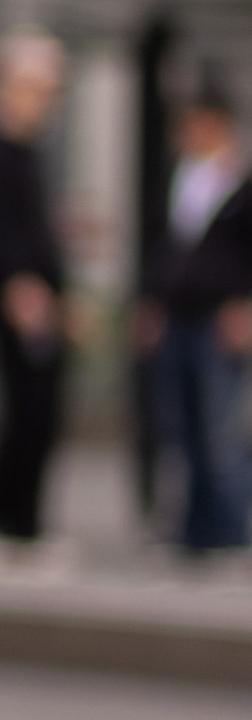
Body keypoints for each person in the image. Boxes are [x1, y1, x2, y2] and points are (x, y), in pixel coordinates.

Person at [0, 34, 74, 561]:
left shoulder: (29, 151)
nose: (45, 101)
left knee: (40, 408)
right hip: (18, 295)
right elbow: (2, 232)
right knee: (26, 408)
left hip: (38, 294)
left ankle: (7, 518)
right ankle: (5, 522)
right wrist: (21, 285)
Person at [137, 68, 252, 560]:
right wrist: (151, 304)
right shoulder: (178, 179)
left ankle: (228, 528)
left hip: (217, 318)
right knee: (180, 426)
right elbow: (165, 251)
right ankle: (192, 528)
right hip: (177, 317)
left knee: (219, 427)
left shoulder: (239, 183)